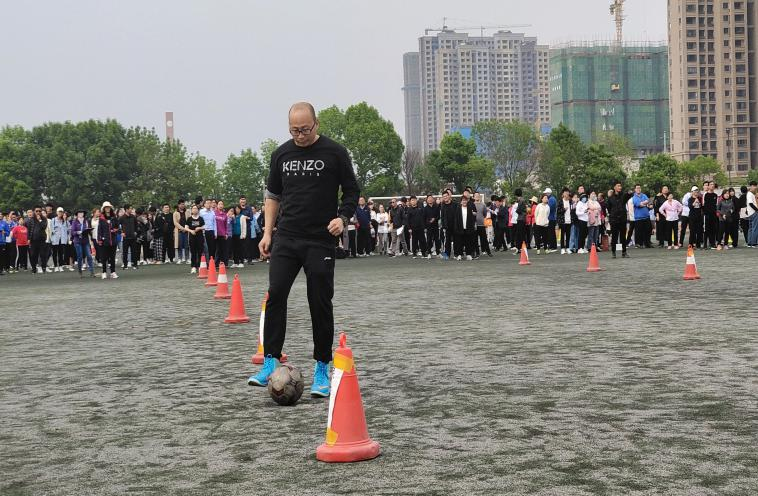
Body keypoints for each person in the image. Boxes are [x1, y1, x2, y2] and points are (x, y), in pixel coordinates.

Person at [247, 102, 360, 398]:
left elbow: (352, 191)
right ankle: (270, 361)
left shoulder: (335, 152)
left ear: (316, 124)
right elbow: (273, 196)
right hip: (287, 237)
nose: (299, 135)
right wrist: (267, 233)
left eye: (305, 129)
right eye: (294, 130)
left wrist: (343, 218)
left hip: (320, 239)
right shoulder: (281, 154)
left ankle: (322, 366)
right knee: (276, 294)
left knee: (319, 301)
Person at [606, 182, 629, 259]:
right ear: (614, 187)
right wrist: (613, 213)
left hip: (622, 219)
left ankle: (624, 252)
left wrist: (629, 193)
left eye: (620, 186)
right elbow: (609, 208)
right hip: (614, 219)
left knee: (623, 236)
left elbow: (628, 195)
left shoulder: (623, 196)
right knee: (614, 237)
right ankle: (613, 252)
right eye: (618, 186)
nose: (620, 187)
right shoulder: (610, 198)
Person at [97, 201, 119, 279]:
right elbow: (99, 230)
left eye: (108, 207)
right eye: (106, 207)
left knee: (112, 257)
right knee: (104, 258)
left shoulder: (114, 217)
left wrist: (115, 230)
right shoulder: (101, 218)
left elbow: (117, 227)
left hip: (113, 240)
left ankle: (113, 272)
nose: (107, 209)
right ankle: (104, 272)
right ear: (104, 209)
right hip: (105, 241)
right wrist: (99, 239)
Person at [71, 209, 95, 277]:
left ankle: (92, 272)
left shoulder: (86, 221)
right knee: (80, 256)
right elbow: (72, 232)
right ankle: (80, 271)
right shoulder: (74, 222)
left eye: (82, 213)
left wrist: (90, 231)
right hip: (77, 241)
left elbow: (88, 229)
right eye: (79, 213)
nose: (81, 214)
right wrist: (78, 232)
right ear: (77, 214)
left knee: (89, 256)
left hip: (85, 241)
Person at [452, 194, 476, 260]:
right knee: (459, 242)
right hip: (460, 228)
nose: (464, 201)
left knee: (468, 242)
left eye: (465, 200)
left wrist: (472, 227)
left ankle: (468, 254)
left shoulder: (470, 208)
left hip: (468, 228)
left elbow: (471, 219)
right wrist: (456, 228)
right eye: (463, 200)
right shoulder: (458, 208)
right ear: (461, 201)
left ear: (467, 201)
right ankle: (459, 255)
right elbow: (456, 219)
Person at [184, 204, 205, 274]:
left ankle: (200, 266)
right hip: (192, 238)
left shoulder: (201, 218)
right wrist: (191, 231)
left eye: (196, 208)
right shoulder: (189, 219)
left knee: (200, 252)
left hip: (200, 237)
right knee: (193, 252)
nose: (195, 210)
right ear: (191, 210)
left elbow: (205, 226)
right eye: (193, 208)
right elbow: (186, 228)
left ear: (198, 210)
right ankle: (193, 267)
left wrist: (199, 228)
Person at [50, 207, 70, 272]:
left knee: (61, 253)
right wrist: (55, 231)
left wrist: (68, 238)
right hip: (55, 239)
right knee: (55, 253)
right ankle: (56, 266)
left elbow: (69, 229)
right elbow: (51, 229)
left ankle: (60, 266)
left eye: (61, 212)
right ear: (57, 212)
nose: (60, 213)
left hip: (62, 239)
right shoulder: (53, 220)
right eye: (59, 212)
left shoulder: (65, 221)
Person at [119, 205, 138, 270]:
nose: (131, 210)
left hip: (133, 237)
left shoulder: (133, 217)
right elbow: (117, 225)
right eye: (130, 208)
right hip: (125, 238)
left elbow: (136, 225)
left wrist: (135, 231)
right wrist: (121, 232)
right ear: (126, 209)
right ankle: (125, 265)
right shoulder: (122, 218)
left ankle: (135, 264)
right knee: (125, 252)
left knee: (134, 252)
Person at [473, 192, 491, 258]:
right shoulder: (472, 204)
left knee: (484, 239)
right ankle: (477, 253)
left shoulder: (483, 204)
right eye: (476, 196)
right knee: (475, 240)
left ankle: (488, 252)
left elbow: (485, 214)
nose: (477, 197)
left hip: (481, 224)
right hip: (474, 225)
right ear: (473, 197)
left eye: (478, 195)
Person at [703, 181, 719, 249]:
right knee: (706, 229)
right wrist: (705, 213)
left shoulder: (715, 195)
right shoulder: (705, 194)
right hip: (707, 215)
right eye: (711, 184)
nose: (712, 185)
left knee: (713, 229)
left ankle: (712, 244)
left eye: (713, 184)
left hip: (713, 215)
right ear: (708, 186)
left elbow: (716, 205)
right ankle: (705, 244)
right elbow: (703, 204)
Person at [214, 200, 229, 267]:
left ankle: (224, 263)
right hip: (216, 234)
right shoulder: (214, 213)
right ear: (217, 205)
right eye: (219, 204)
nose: (220, 205)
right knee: (217, 250)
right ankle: (216, 263)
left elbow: (226, 225)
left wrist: (226, 233)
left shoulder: (225, 215)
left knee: (223, 249)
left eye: (222, 204)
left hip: (223, 234)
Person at [173, 200, 189, 264]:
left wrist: (186, 228)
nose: (183, 205)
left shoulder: (187, 212)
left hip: (187, 231)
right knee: (179, 245)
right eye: (181, 204)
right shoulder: (175, 213)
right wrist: (182, 228)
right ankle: (180, 258)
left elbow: (189, 220)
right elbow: (175, 223)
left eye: (183, 204)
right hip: (179, 231)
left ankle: (187, 258)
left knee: (187, 245)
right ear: (178, 205)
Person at [747, 181, 758, 247]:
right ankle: (754, 243)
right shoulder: (750, 194)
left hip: (750, 213)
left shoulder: (750, 194)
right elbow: (750, 203)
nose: (755, 187)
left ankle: (750, 243)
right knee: (755, 228)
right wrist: (757, 210)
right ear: (751, 186)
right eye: (755, 186)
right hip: (754, 213)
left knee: (751, 228)